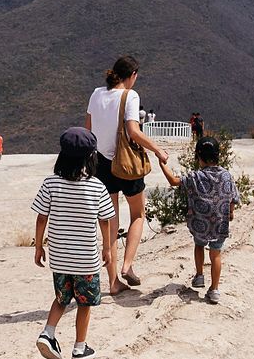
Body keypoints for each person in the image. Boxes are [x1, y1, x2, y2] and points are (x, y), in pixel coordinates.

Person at [86, 55, 170, 294]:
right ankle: (127, 266)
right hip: (127, 164)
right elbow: (133, 131)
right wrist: (157, 149)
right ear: (132, 75)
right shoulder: (130, 96)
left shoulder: (96, 94)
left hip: (101, 163)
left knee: (110, 222)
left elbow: (88, 130)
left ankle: (113, 283)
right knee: (138, 214)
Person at [32, 127, 115, 359]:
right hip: (85, 259)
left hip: (59, 257)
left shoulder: (50, 183)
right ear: (91, 157)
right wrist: (107, 249)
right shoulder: (97, 187)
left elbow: (41, 217)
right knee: (84, 303)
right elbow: (105, 221)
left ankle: (48, 333)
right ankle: (80, 348)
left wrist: (39, 246)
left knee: (61, 297)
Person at [157, 137, 240, 304]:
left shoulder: (196, 176)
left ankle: (200, 275)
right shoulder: (226, 175)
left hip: (200, 222)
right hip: (219, 223)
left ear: (198, 157)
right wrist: (230, 212)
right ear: (218, 156)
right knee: (216, 254)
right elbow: (233, 197)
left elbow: (174, 181)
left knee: (199, 244)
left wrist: (162, 165)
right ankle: (215, 290)